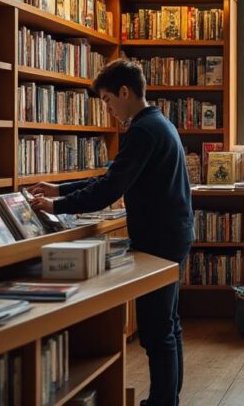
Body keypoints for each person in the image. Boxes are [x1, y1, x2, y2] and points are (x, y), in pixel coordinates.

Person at [28, 60, 193, 406]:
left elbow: (108, 190)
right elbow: (111, 178)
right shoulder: (159, 122)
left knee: (156, 330)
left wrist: (56, 207)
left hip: (159, 240)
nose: (107, 109)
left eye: (106, 99)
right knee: (167, 324)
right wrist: (59, 190)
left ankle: (163, 402)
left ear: (124, 92)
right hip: (173, 233)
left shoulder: (143, 131)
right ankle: (168, 399)